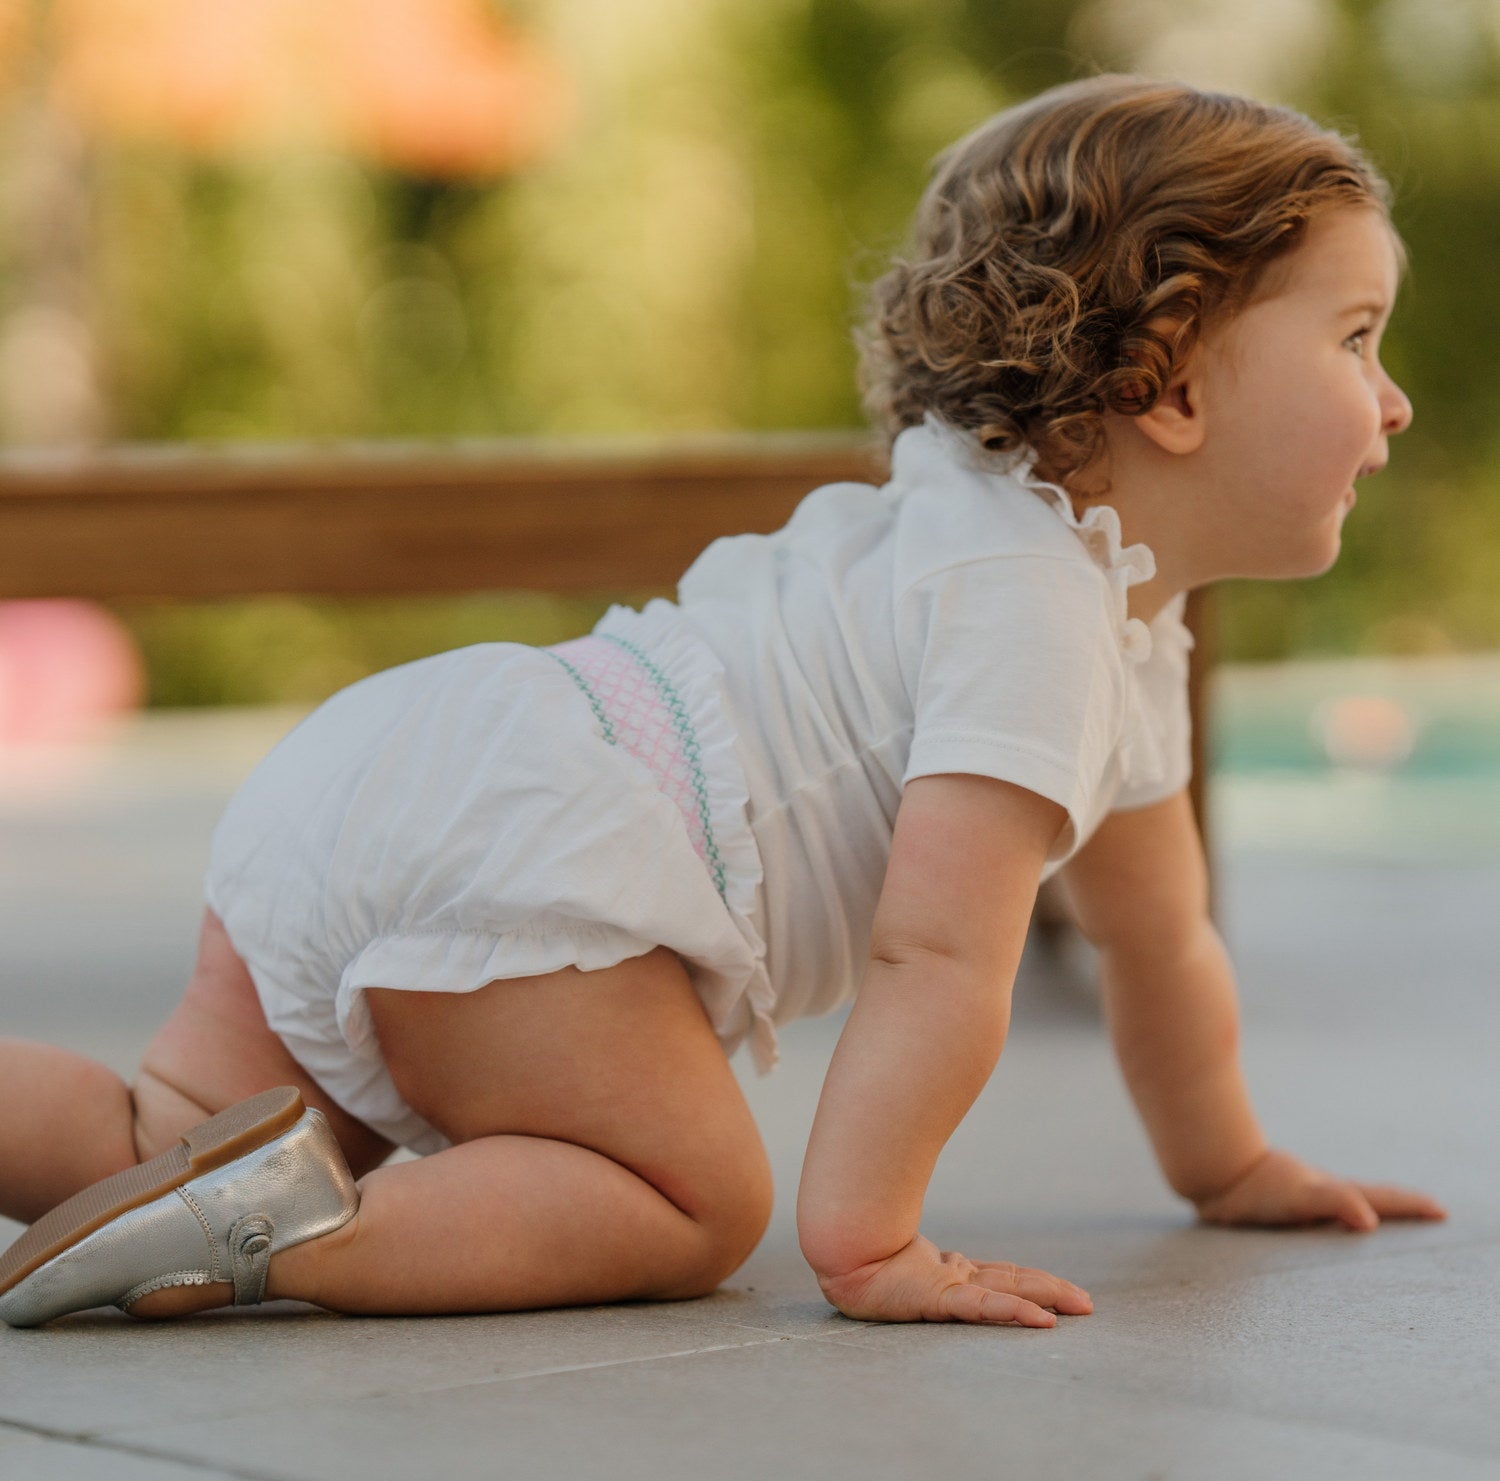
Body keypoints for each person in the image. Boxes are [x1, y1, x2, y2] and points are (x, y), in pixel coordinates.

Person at [0, 72, 1448, 1333]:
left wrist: (1228, 1165)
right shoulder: (1040, 615)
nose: (1390, 402)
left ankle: (204, 1199)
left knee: (156, 1131)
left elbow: (1158, 936)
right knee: (688, 1200)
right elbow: (938, 954)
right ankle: (289, 1246)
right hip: (554, 859)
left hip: (402, 768)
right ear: (1170, 378)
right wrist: (870, 1239)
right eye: (1356, 339)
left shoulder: (1043, 569)